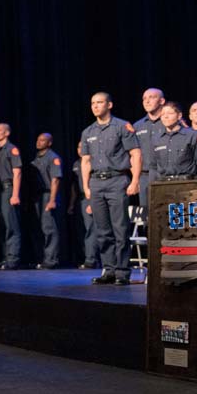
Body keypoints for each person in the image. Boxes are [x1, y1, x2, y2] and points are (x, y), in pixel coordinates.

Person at [81, 92, 141, 286]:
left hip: (117, 180)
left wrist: (134, 181)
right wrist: (86, 187)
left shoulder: (122, 126)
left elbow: (135, 154)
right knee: (102, 230)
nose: (96, 106)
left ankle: (123, 272)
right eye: (93, 103)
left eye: (99, 102)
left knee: (120, 229)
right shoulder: (88, 131)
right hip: (96, 183)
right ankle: (109, 269)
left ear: (109, 104)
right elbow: (86, 161)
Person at [0, 123, 22, 270]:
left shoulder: (12, 150)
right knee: (2, 225)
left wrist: (15, 194)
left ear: (6, 133)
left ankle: (13, 259)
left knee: (11, 225)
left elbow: (17, 172)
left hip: (9, 189)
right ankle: (5, 258)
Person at [30, 133, 62, 269]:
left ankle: (51, 260)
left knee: (49, 228)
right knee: (40, 228)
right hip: (38, 196)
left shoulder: (53, 157)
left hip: (49, 195)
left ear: (49, 143)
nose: (39, 142)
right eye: (37, 139)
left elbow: (55, 180)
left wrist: (52, 200)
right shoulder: (37, 158)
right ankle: (42, 258)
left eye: (42, 140)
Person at [151, 102, 197, 181]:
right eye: (162, 114)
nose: (165, 116)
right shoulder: (156, 139)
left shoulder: (192, 135)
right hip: (162, 184)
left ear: (179, 116)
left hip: (186, 183)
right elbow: (153, 166)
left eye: (170, 113)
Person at [69, 141, 100, 269]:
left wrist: (92, 201)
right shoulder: (76, 164)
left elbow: (95, 183)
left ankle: (91, 260)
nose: (80, 149)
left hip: (91, 198)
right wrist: (71, 204)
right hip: (80, 200)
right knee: (83, 231)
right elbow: (73, 187)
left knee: (91, 230)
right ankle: (86, 257)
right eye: (78, 146)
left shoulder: (93, 162)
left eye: (83, 147)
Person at [133, 88, 165, 211]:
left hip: (167, 175)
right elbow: (133, 155)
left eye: (151, 97)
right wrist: (136, 180)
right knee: (148, 217)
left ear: (161, 101)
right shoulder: (137, 126)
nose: (147, 101)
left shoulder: (170, 121)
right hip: (145, 176)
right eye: (144, 99)